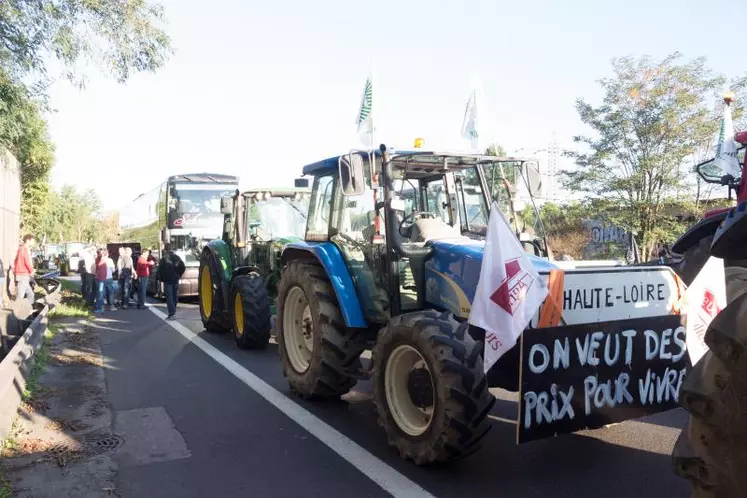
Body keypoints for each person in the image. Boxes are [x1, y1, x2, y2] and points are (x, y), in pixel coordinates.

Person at [156, 244, 185, 319]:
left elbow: (159, 271)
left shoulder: (163, 259)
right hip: (175, 279)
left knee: (169, 297)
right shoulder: (177, 258)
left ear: (165, 250)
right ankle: (173, 311)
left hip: (167, 280)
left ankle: (172, 314)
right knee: (175, 296)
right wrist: (178, 275)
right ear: (171, 249)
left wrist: (160, 279)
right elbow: (183, 267)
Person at [12, 235, 36, 306]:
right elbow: (26, 261)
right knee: (20, 296)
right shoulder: (24, 249)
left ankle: (28, 310)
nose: (34, 242)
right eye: (32, 241)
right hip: (23, 274)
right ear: (28, 240)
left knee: (30, 294)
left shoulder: (21, 248)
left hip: (23, 274)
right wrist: (31, 270)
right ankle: (16, 312)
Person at [94, 249, 117, 313]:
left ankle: (102, 306)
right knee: (110, 292)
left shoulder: (99, 260)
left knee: (102, 293)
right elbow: (113, 270)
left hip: (101, 278)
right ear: (107, 254)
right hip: (109, 278)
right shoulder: (110, 260)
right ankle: (112, 306)